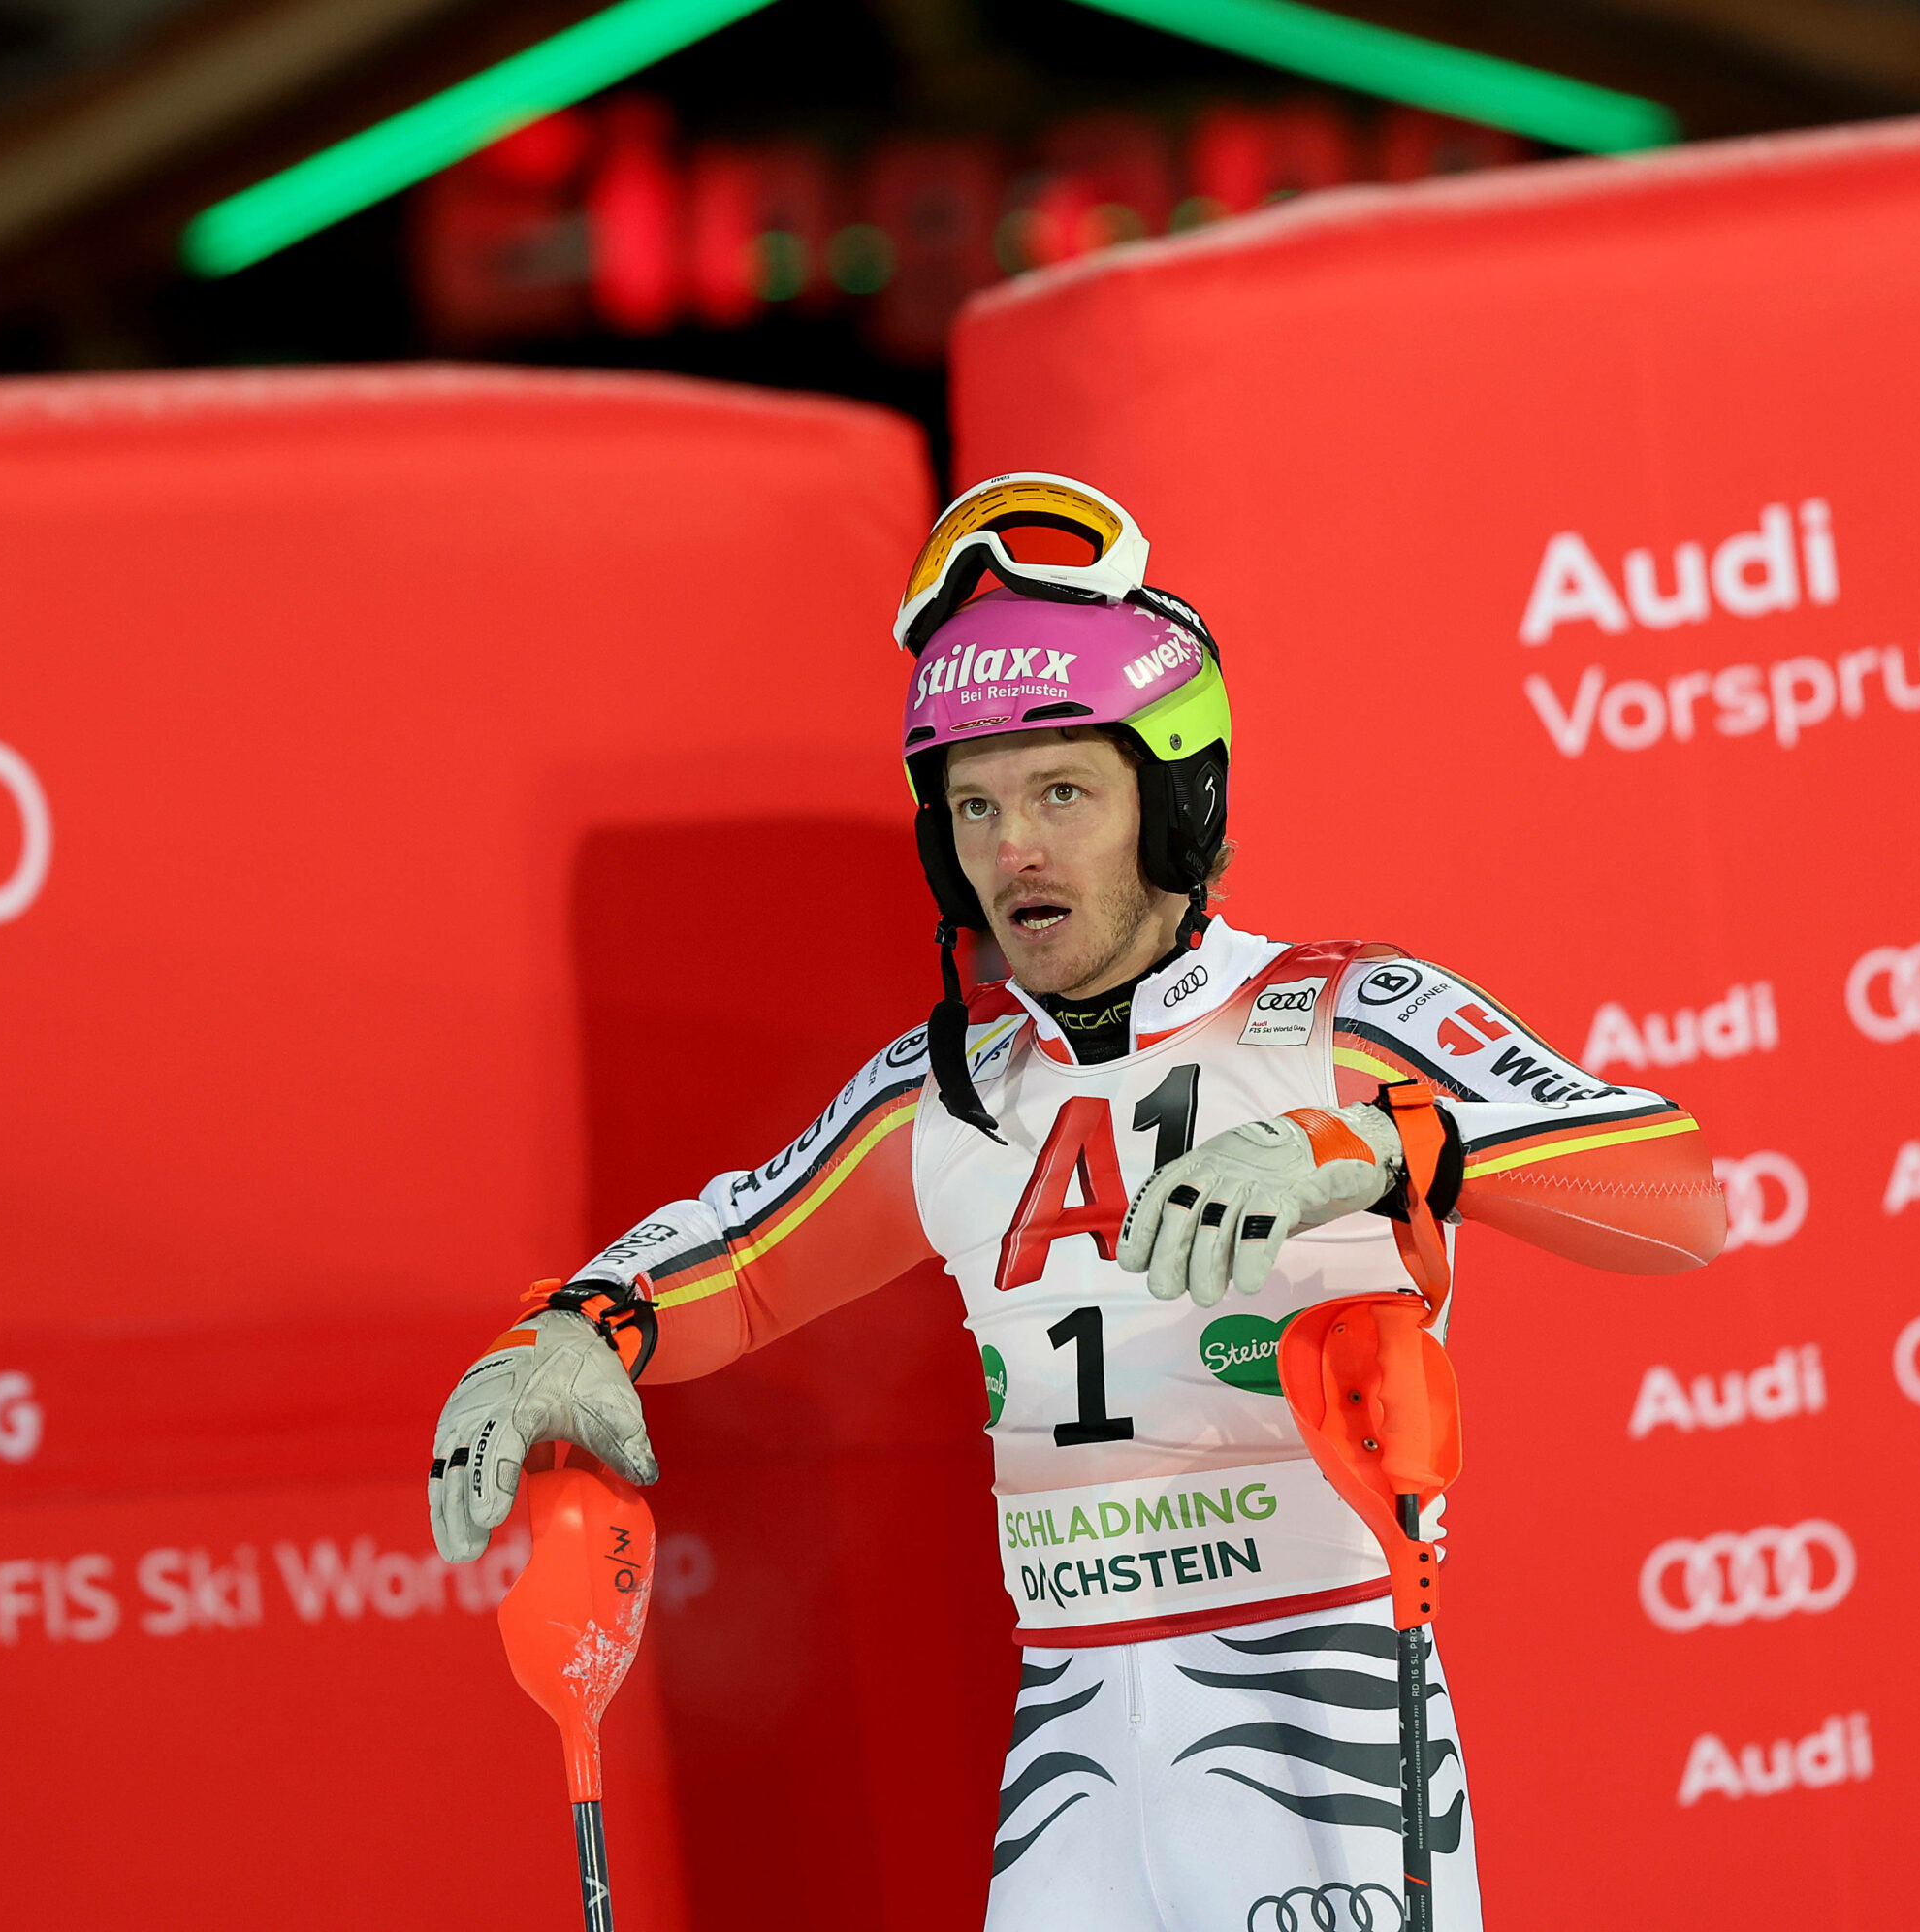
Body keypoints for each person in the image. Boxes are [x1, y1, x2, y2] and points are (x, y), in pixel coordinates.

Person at [429, 473, 1726, 1931]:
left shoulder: (1346, 1010)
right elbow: (737, 1258)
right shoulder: (953, 1090)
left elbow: (1677, 1193)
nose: (1012, 850)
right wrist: (575, 1330)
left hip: (1325, 1715)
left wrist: (1360, 1150)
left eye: (1063, 792)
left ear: (1178, 804)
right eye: (972, 806)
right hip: (1073, 1750)